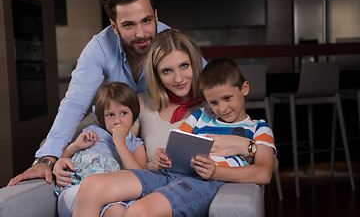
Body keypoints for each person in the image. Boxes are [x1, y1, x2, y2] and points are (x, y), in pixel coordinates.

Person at [7, 0, 170, 186]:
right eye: (128, 25)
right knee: (57, 143)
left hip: (158, 110)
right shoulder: (100, 46)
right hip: (116, 115)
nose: (141, 34)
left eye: (147, 21)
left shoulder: (172, 40)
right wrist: (46, 158)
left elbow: (207, 85)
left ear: (156, 16)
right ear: (114, 26)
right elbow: (75, 103)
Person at [71, 56, 276, 216]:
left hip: (204, 183)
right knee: (92, 186)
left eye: (228, 98)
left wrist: (215, 173)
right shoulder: (200, 116)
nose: (221, 108)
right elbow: (175, 147)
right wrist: (163, 155)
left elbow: (264, 173)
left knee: (138, 211)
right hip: (167, 174)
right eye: (213, 102)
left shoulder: (258, 129)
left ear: (245, 89)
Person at [55, 82, 146, 217]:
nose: (117, 121)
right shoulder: (92, 132)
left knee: (119, 211)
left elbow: (141, 178)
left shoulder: (135, 144)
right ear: (102, 117)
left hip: (113, 198)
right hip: (77, 192)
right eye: (110, 115)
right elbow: (64, 157)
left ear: (134, 114)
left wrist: (120, 143)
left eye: (124, 113)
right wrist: (76, 146)